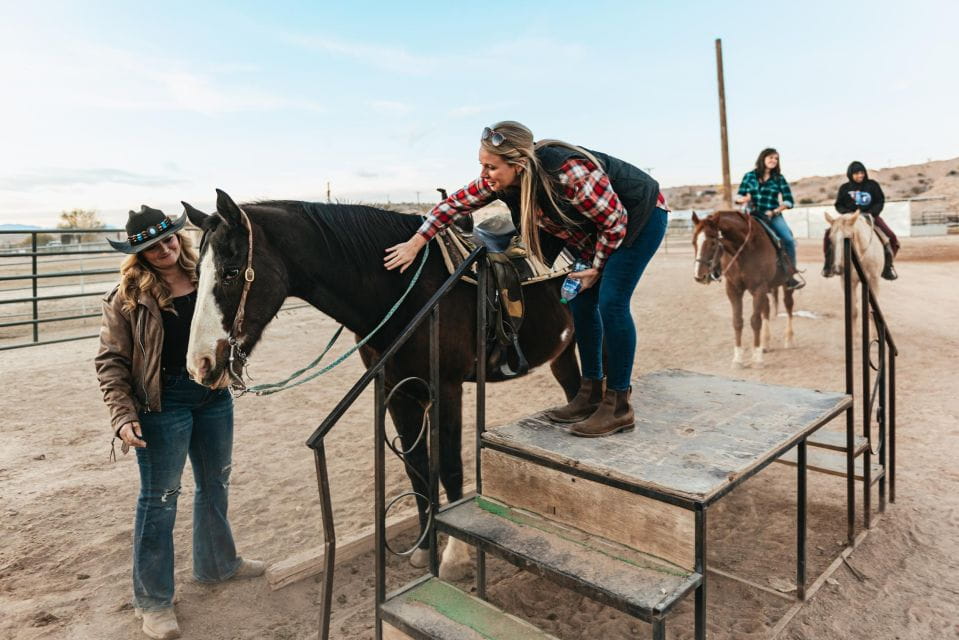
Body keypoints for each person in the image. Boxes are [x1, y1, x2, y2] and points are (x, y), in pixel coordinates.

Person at [384, 121, 668, 437]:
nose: (484, 174)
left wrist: (596, 268)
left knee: (611, 301)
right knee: (582, 303)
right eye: (481, 164)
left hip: (639, 217)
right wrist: (416, 242)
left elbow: (615, 223)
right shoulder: (499, 181)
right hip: (591, 231)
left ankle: (619, 406)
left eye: (491, 166)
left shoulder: (570, 174)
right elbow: (454, 204)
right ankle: (590, 394)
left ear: (518, 164)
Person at [95, 206, 264, 640]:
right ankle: (153, 602)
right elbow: (111, 362)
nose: (164, 248)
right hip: (162, 403)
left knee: (215, 482)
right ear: (140, 255)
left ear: (179, 237)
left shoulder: (207, 275)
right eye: (153, 246)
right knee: (160, 498)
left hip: (213, 396)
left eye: (168, 239)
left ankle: (218, 564)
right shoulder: (127, 298)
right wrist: (122, 415)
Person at [735, 148, 804, 289]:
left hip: (771, 215)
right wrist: (743, 199)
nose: (773, 161)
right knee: (734, 238)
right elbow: (738, 196)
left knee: (788, 239)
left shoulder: (779, 178)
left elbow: (789, 200)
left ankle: (790, 276)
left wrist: (775, 211)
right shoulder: (749, 176)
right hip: (752, 215)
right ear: (763, 158)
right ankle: (731, 272)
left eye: (776, 158)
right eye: (770, 157)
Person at [826, 160, 898, 280]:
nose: (860, 175)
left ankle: (887, 266)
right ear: (850, 174)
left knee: (891, 237)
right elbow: (838, 205)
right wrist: (849, 214)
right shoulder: (844, 188)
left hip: (870, 217)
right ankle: (828, 265)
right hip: (849, 219)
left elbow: (879, 201)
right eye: (856, 173)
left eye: (862, 172)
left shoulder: (872, 185)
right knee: (828, 236)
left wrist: (871, 213)